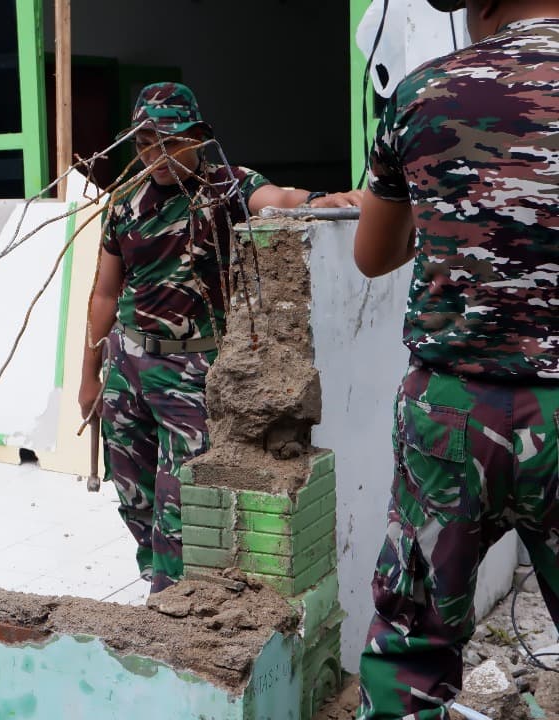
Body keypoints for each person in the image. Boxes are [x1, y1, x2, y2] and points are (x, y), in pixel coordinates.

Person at [352, 0, 558, 716]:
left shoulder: (422, 93)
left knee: (412, 643)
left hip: (450, 416)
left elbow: (373, 254)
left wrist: (449, 216)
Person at [78, 82, 362, 594]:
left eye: (169, 143)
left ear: (199, 137)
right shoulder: (125, 200)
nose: (156, 156)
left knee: (179, 498)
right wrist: (89, 377)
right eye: (145, 145)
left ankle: (171, 600)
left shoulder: (226, 186)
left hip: (191, 374)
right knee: (133, 491)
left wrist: (320, 199)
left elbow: (276, 199)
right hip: (128, 364)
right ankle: (156, 572)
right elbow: (103, 293)